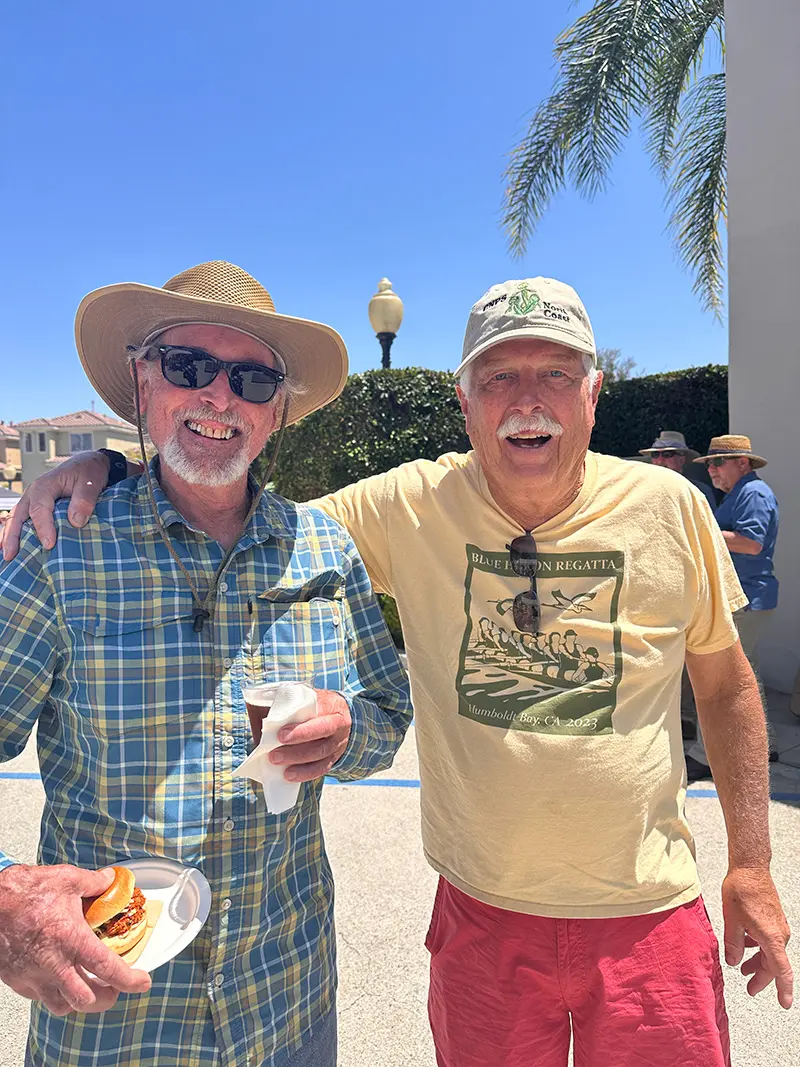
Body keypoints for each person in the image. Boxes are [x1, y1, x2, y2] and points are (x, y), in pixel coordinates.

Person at [6, 276, 793, 1067]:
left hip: (627, 918)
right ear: (463, 400)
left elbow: (724, 687)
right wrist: (105, 468)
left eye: (556, 373)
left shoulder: (667, 506)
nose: (528, 399)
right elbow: (216, 478)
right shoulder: (399, 506)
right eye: (184, 367)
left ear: (594, 392)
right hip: (443, 929)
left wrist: (752, 864)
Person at [0, 261, 412, 1067]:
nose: (220, 397)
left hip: (286, 1007)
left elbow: (387, 714)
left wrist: (346, 728)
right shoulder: (59, 550)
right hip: (115, 1026)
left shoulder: (324, 549)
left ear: (277, 411)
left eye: (252, 379)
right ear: (143, 382)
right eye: (190, 367)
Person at [684, 435, 780, 780]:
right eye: (708, 464)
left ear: (743, 463)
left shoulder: (752, 493)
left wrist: (700, 529)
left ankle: (704, 756)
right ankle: (758, 745)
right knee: (744, 677)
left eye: (717, 463)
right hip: (747, 599)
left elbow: (752, 544)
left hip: (746, 600)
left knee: (720, 680)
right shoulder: (742, 493)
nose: (711, 470)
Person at [639, 429, 719, 508]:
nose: (660, 461)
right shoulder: (642, 490)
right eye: (655, 454)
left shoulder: (698, 491)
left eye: (667, 454)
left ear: (681, 459)